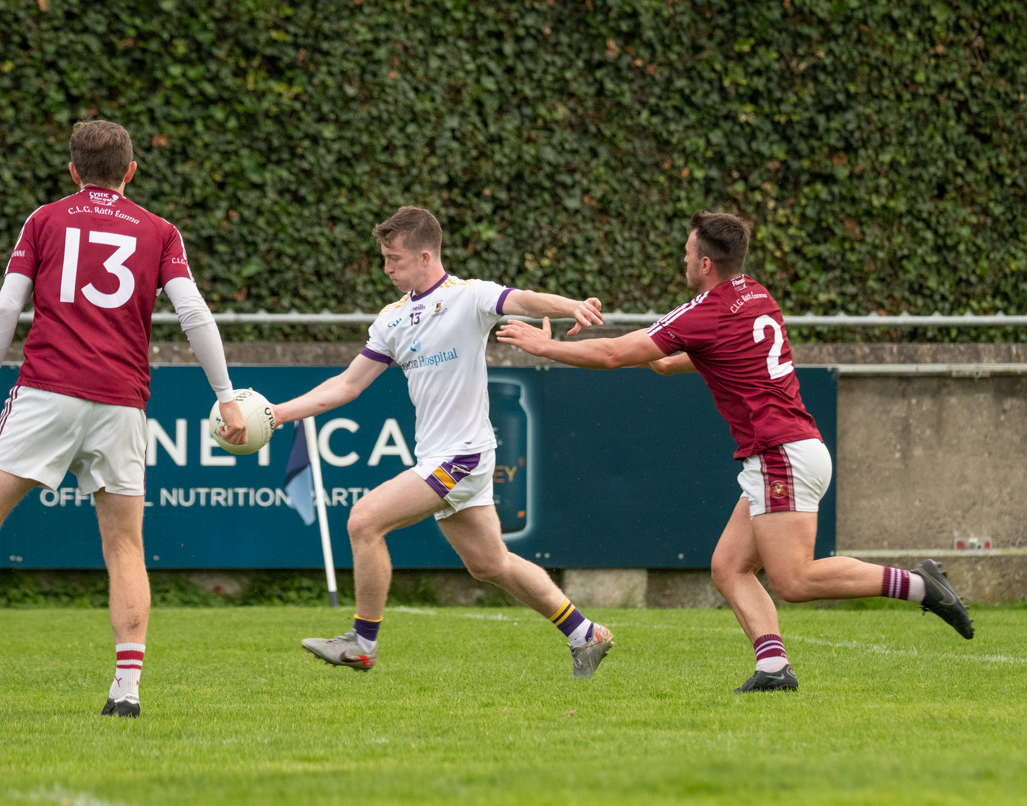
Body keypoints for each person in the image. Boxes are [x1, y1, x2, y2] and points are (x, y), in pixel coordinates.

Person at [497, 209, 973, 693]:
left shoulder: (705, 310)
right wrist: (643, 353)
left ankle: (919, 585)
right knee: (729, 567)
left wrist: (544, 347)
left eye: (686, 253)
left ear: (705, 263)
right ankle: (773, 668)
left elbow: (613, 354)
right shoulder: (756, 294)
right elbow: (669, 361)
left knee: (794, 580)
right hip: (791, 449)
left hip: (778, 453)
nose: (682, 260)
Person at [0, 120, 248, 718]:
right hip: (122, 402)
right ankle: (125, 693)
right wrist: (226, 395)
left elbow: (5, 309)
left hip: (47, 392)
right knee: (126, 544)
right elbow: (195, 313)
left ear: (73, 170)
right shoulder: (160, 231)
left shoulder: (45, 220)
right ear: (131, 171)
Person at [272, 206, 615, 679]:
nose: (387, 269)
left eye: (394, 259)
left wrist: (570, 305)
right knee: (490, 564)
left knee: (364, 520)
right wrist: (276, 414)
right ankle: (586, 634)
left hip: (463, 454)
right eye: (385, 259)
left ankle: (362, 643)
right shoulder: (392, 319)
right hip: (440, 455)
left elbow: (525, 298)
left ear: (425, 255)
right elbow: (347, 386)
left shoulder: (469, 297)